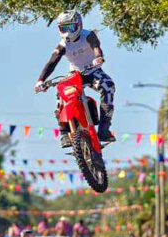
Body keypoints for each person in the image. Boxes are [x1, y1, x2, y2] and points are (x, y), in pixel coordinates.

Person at [35, 10, 116, 144]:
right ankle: (64, 133)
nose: (67, 31)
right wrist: (40, 81)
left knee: (108, 86)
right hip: (75, 73)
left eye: (70, 27)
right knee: (60, 95)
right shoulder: (62, 45)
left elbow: (96, 47)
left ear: (78, 25)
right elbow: (51, 63)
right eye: (63, 28)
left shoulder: (88, 35)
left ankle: (104, 129)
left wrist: (98, 57)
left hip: (93, 70)